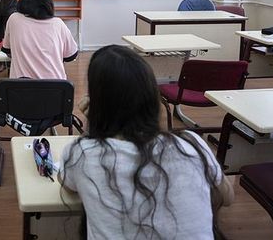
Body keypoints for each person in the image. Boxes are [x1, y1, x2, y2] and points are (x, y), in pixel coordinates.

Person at [59, 45, 233, 239]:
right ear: (152, 96)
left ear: (97, 103)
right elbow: (227, 197)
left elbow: (67, 183)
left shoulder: (82, 153)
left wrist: (94, 126)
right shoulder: (191, 144)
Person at [2, 0, 78, 79]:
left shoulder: (14, 19)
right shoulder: (58, 24)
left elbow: (7, 49)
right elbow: (71, 56)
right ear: (48, 1)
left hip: (20, 89)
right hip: (55, 89)